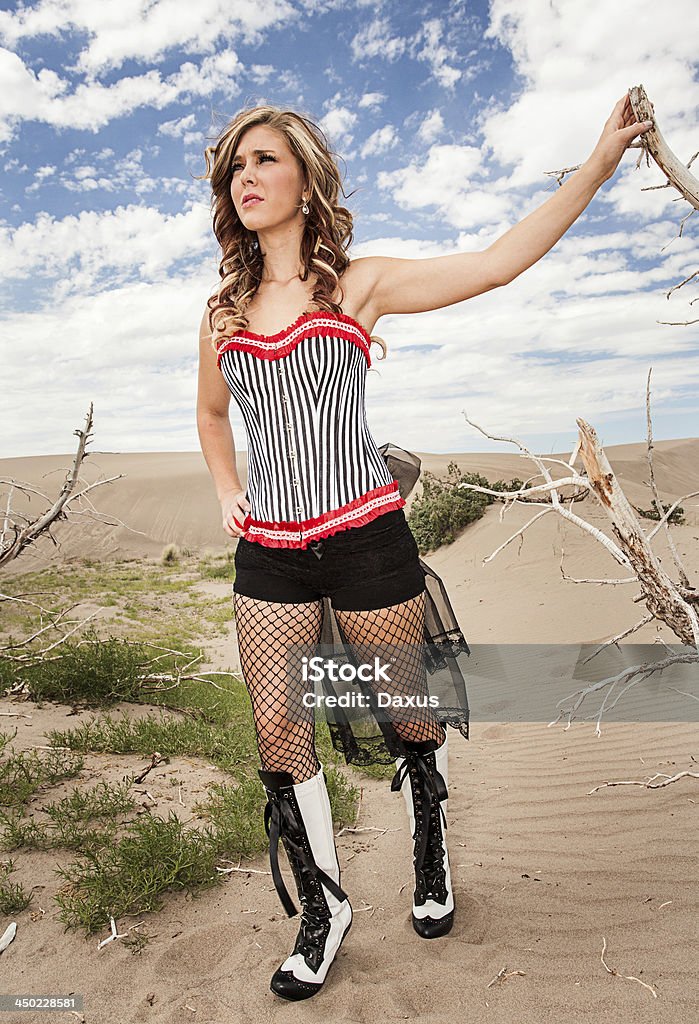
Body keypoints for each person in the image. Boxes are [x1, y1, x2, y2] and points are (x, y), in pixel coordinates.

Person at [196, 96, 652, 1001]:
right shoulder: (221, 311)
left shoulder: (357, 286)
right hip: (271, 554)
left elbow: (492, 265)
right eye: (233, 170)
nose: (245, 178)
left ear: (304, 179)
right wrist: (223, 488)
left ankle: (430, 845)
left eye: (262, 161)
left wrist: (597, 164)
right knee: (280, 734)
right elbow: (213, 416)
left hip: (367, 537)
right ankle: (322, 913)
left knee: (407, 714)